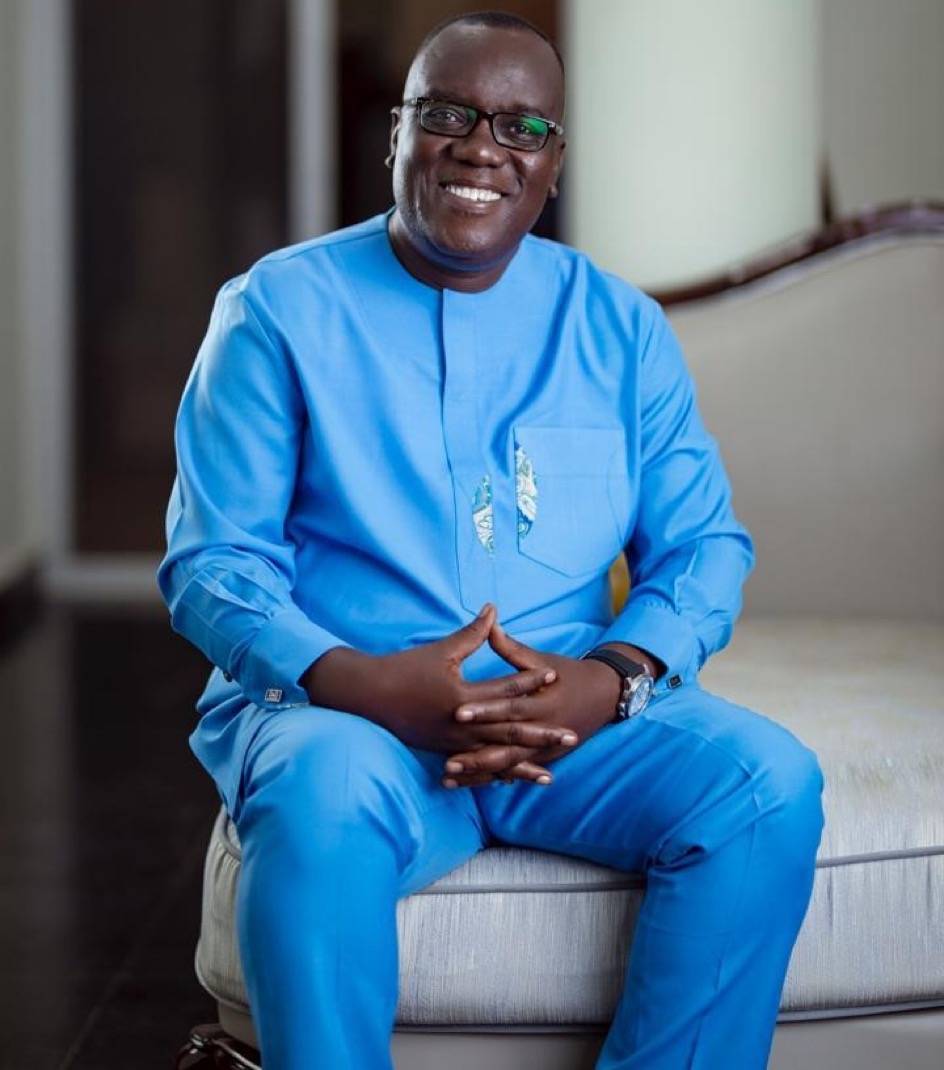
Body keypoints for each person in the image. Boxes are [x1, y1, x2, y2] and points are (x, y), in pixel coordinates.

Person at [158, 10, 825, 1069]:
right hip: (349, 717)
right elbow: (213, 563)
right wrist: (358, 681)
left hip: (566, 722)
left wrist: (611, 677)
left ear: (553, 164)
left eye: (522, 128)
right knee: (321, 795)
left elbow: (703, 545)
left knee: (766, 783)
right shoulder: (276, 310)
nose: (482, 148)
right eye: (448, 115)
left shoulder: (619, 327)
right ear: (397, 134)